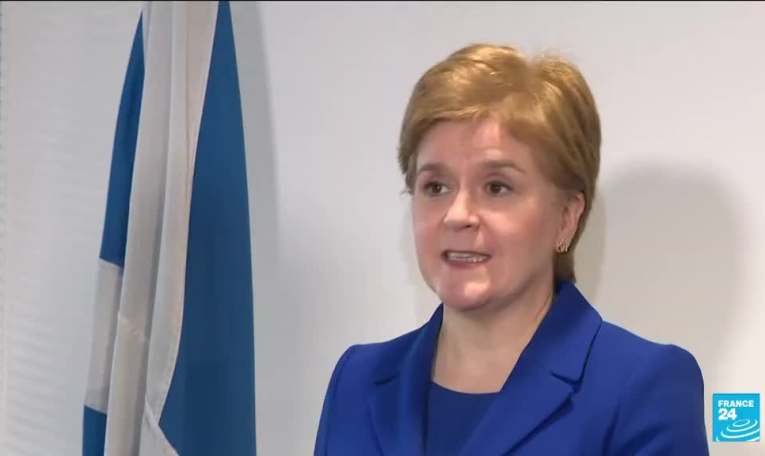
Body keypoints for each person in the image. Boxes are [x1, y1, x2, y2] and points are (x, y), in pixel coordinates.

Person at [314, 43, 709, 455]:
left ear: (567, 217)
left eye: (497, 187)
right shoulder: (357, 379)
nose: (457, 215)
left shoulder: (641, 387)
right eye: (436, 186)